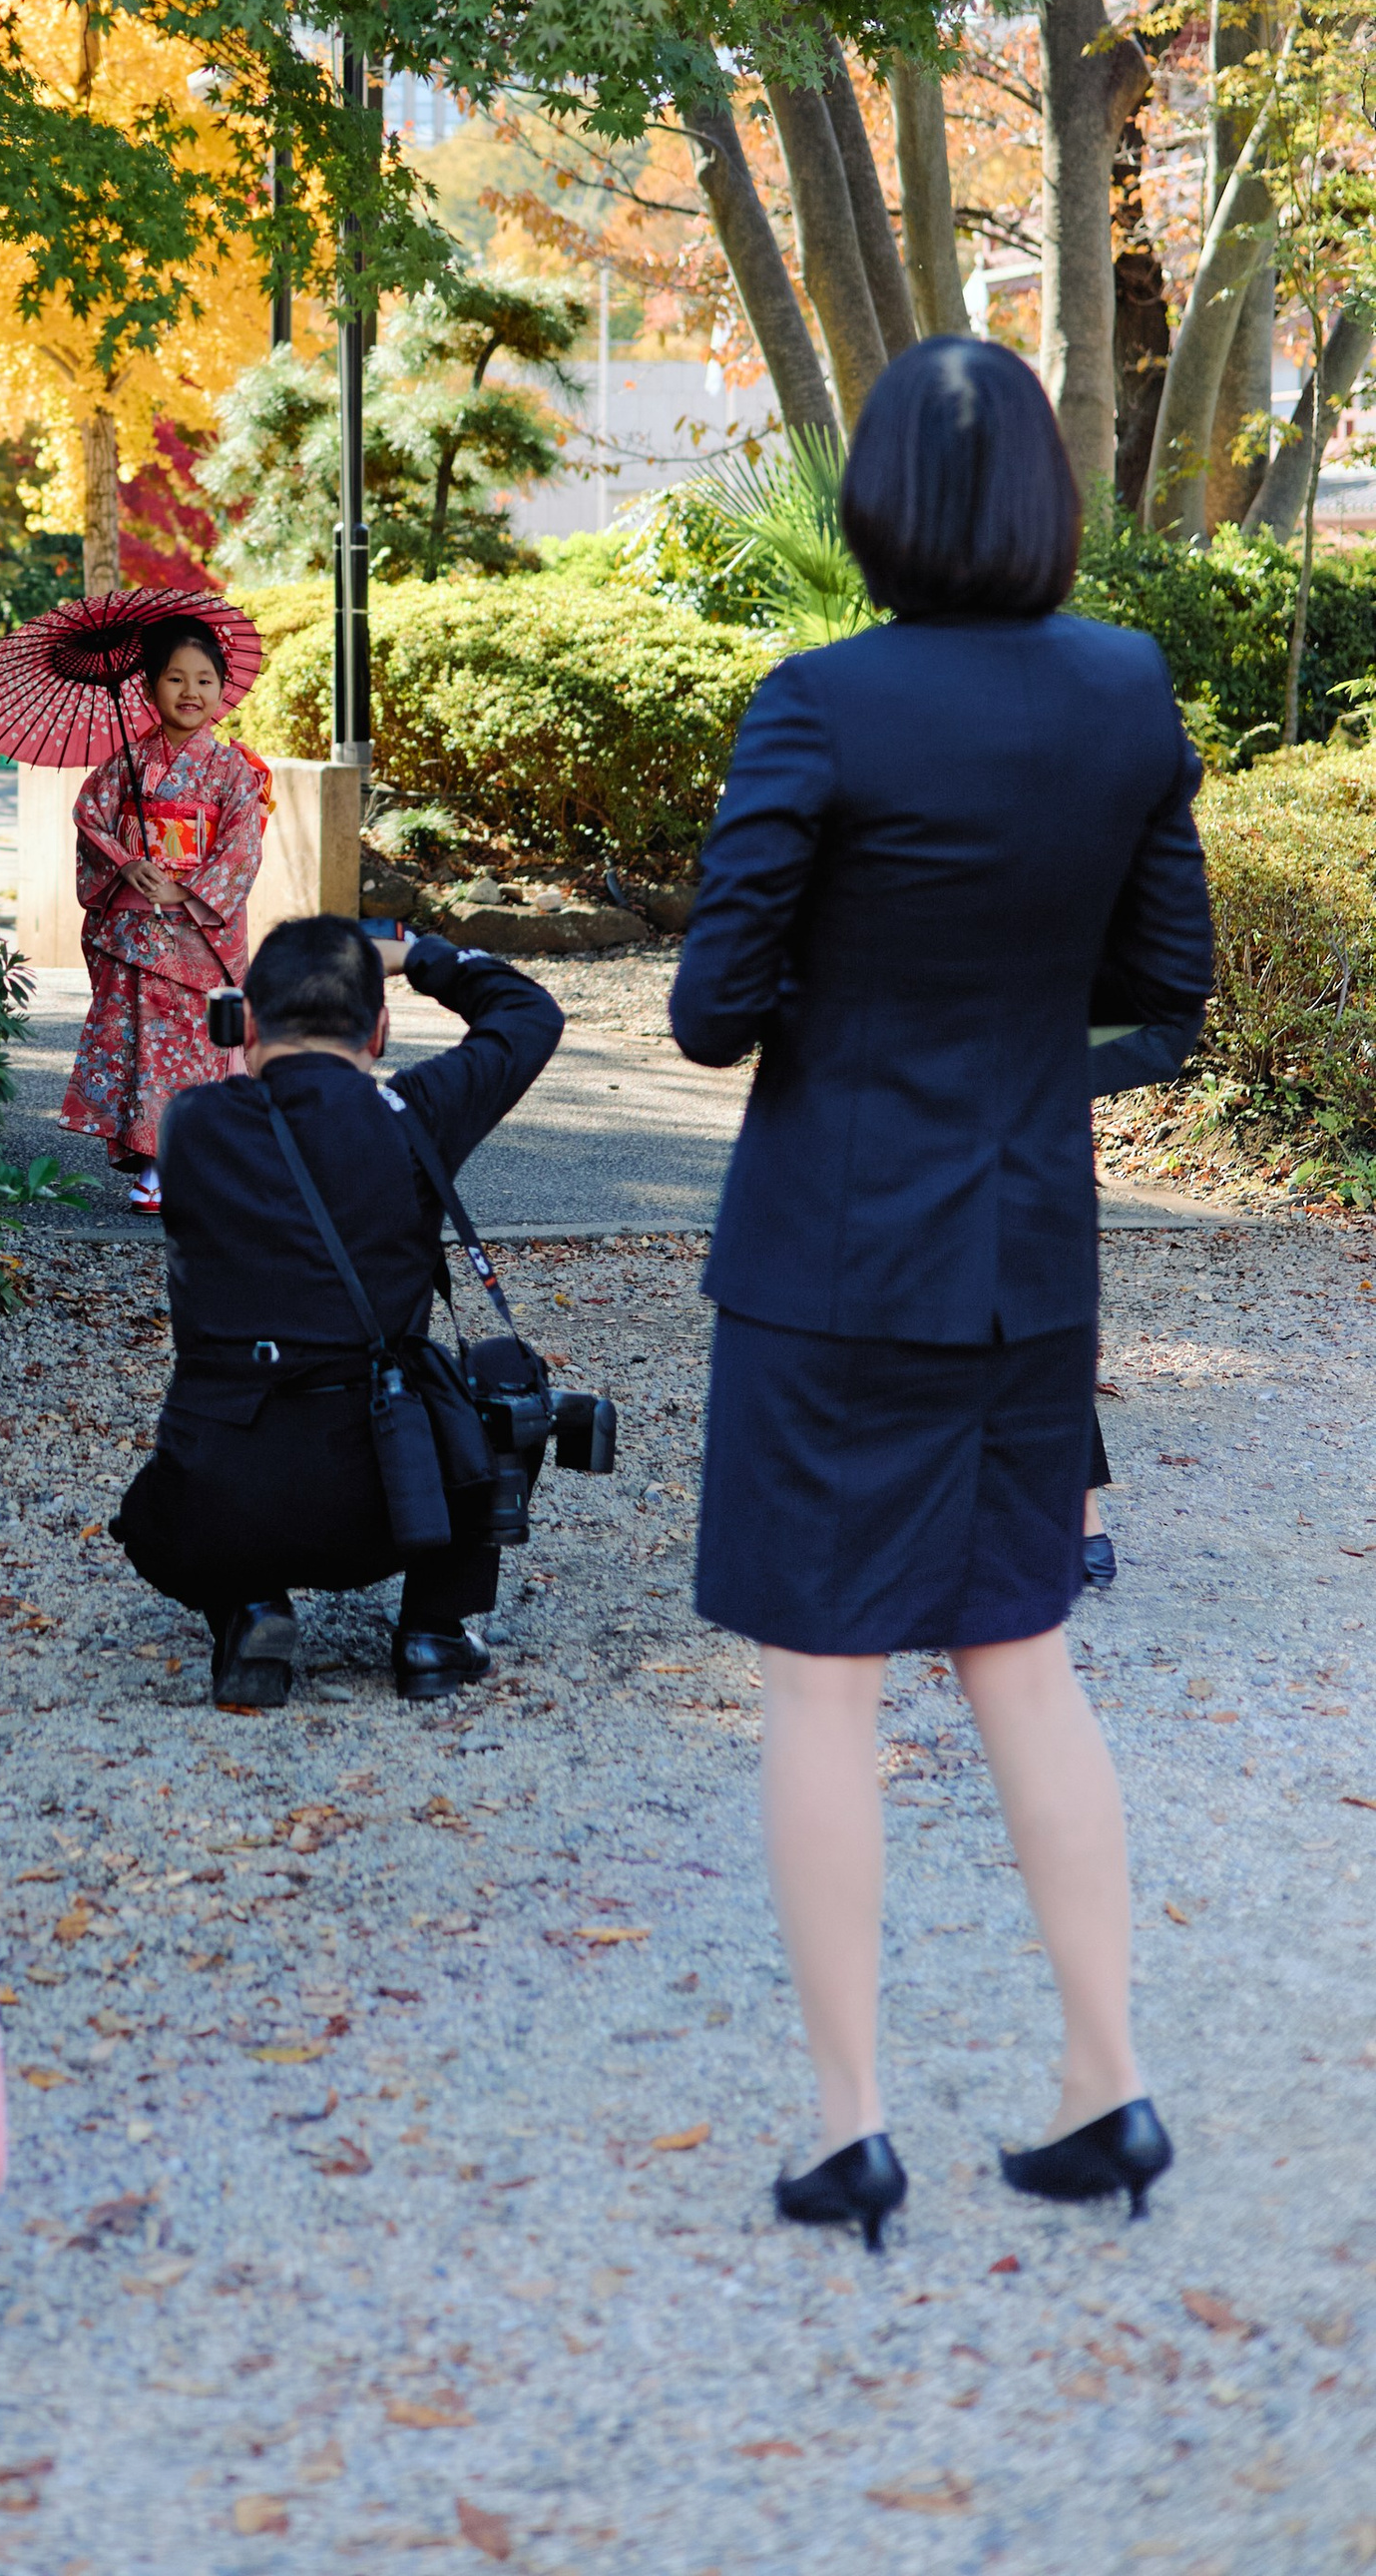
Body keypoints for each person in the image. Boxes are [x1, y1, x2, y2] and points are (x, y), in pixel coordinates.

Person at [671, 335, 1211, 2253]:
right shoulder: (1128, 688)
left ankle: (852, 2129)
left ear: (878, 499)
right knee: (1021, 1657)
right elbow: (1169, 986)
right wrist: (1003, 1062)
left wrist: (860, 1011)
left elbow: (713, 1011)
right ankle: (1106, 2080)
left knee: (822, 1683)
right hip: (1029, 1263)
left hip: (833, 1264)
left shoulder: (818, 704)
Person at [111, 912, 563, 1706]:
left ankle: (246, 1607)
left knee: (155, 1512)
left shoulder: (191, 1125)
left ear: (244, 1022)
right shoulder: (415, 1116)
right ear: (379, 1031)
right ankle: (433, 1629)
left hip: (213, 1503)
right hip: (396, 1500)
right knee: (504, 1377)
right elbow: (531, 1014)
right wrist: (420, 956)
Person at [61, 611, 270, 1212]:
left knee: (195, 1046)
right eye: (175, 679)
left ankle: (199, 1160)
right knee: (138, 1045)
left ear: (222, 688)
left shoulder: (231, 770)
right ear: (150, 687)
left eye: (204, 680)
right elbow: (90, 820)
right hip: (131, 925)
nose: (190, 692)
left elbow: (241, 847)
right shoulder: (124, 763)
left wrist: (184, 890)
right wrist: (128, 863)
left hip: (196, 930)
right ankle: (151, 1167)